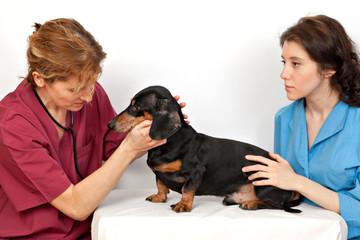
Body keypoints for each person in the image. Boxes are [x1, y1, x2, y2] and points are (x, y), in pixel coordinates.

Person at [0, 18, 186, 239]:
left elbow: (114, 148)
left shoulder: (90, 94)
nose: (88, 96)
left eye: (92, 82)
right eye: (76, 89)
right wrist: (129, 149)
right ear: (40, 79)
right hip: (33, 236)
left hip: (92, 229)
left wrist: (159, 126)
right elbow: (76, 207)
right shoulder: (13, 124)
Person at [242, 15, 360, 239]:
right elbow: (282, 190)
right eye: (283, 62)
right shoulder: (284, 119)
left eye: (296, 63)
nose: (284, 74)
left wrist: (297, 182)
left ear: (329, 69)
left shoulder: (357, 121)